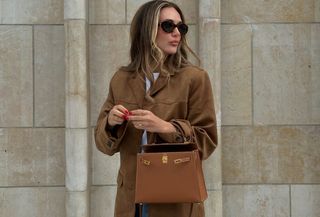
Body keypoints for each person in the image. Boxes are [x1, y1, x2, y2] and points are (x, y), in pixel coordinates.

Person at [94, 1, 218, 217]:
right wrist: (111, 124)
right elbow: (103, 145)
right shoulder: (121, 79)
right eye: (168, 26)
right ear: (147, 29)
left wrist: (166, 128)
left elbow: (207, 141)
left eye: (182, 27)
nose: (177, 33)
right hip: (130, 202)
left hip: (174, 201)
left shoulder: (194, 78)